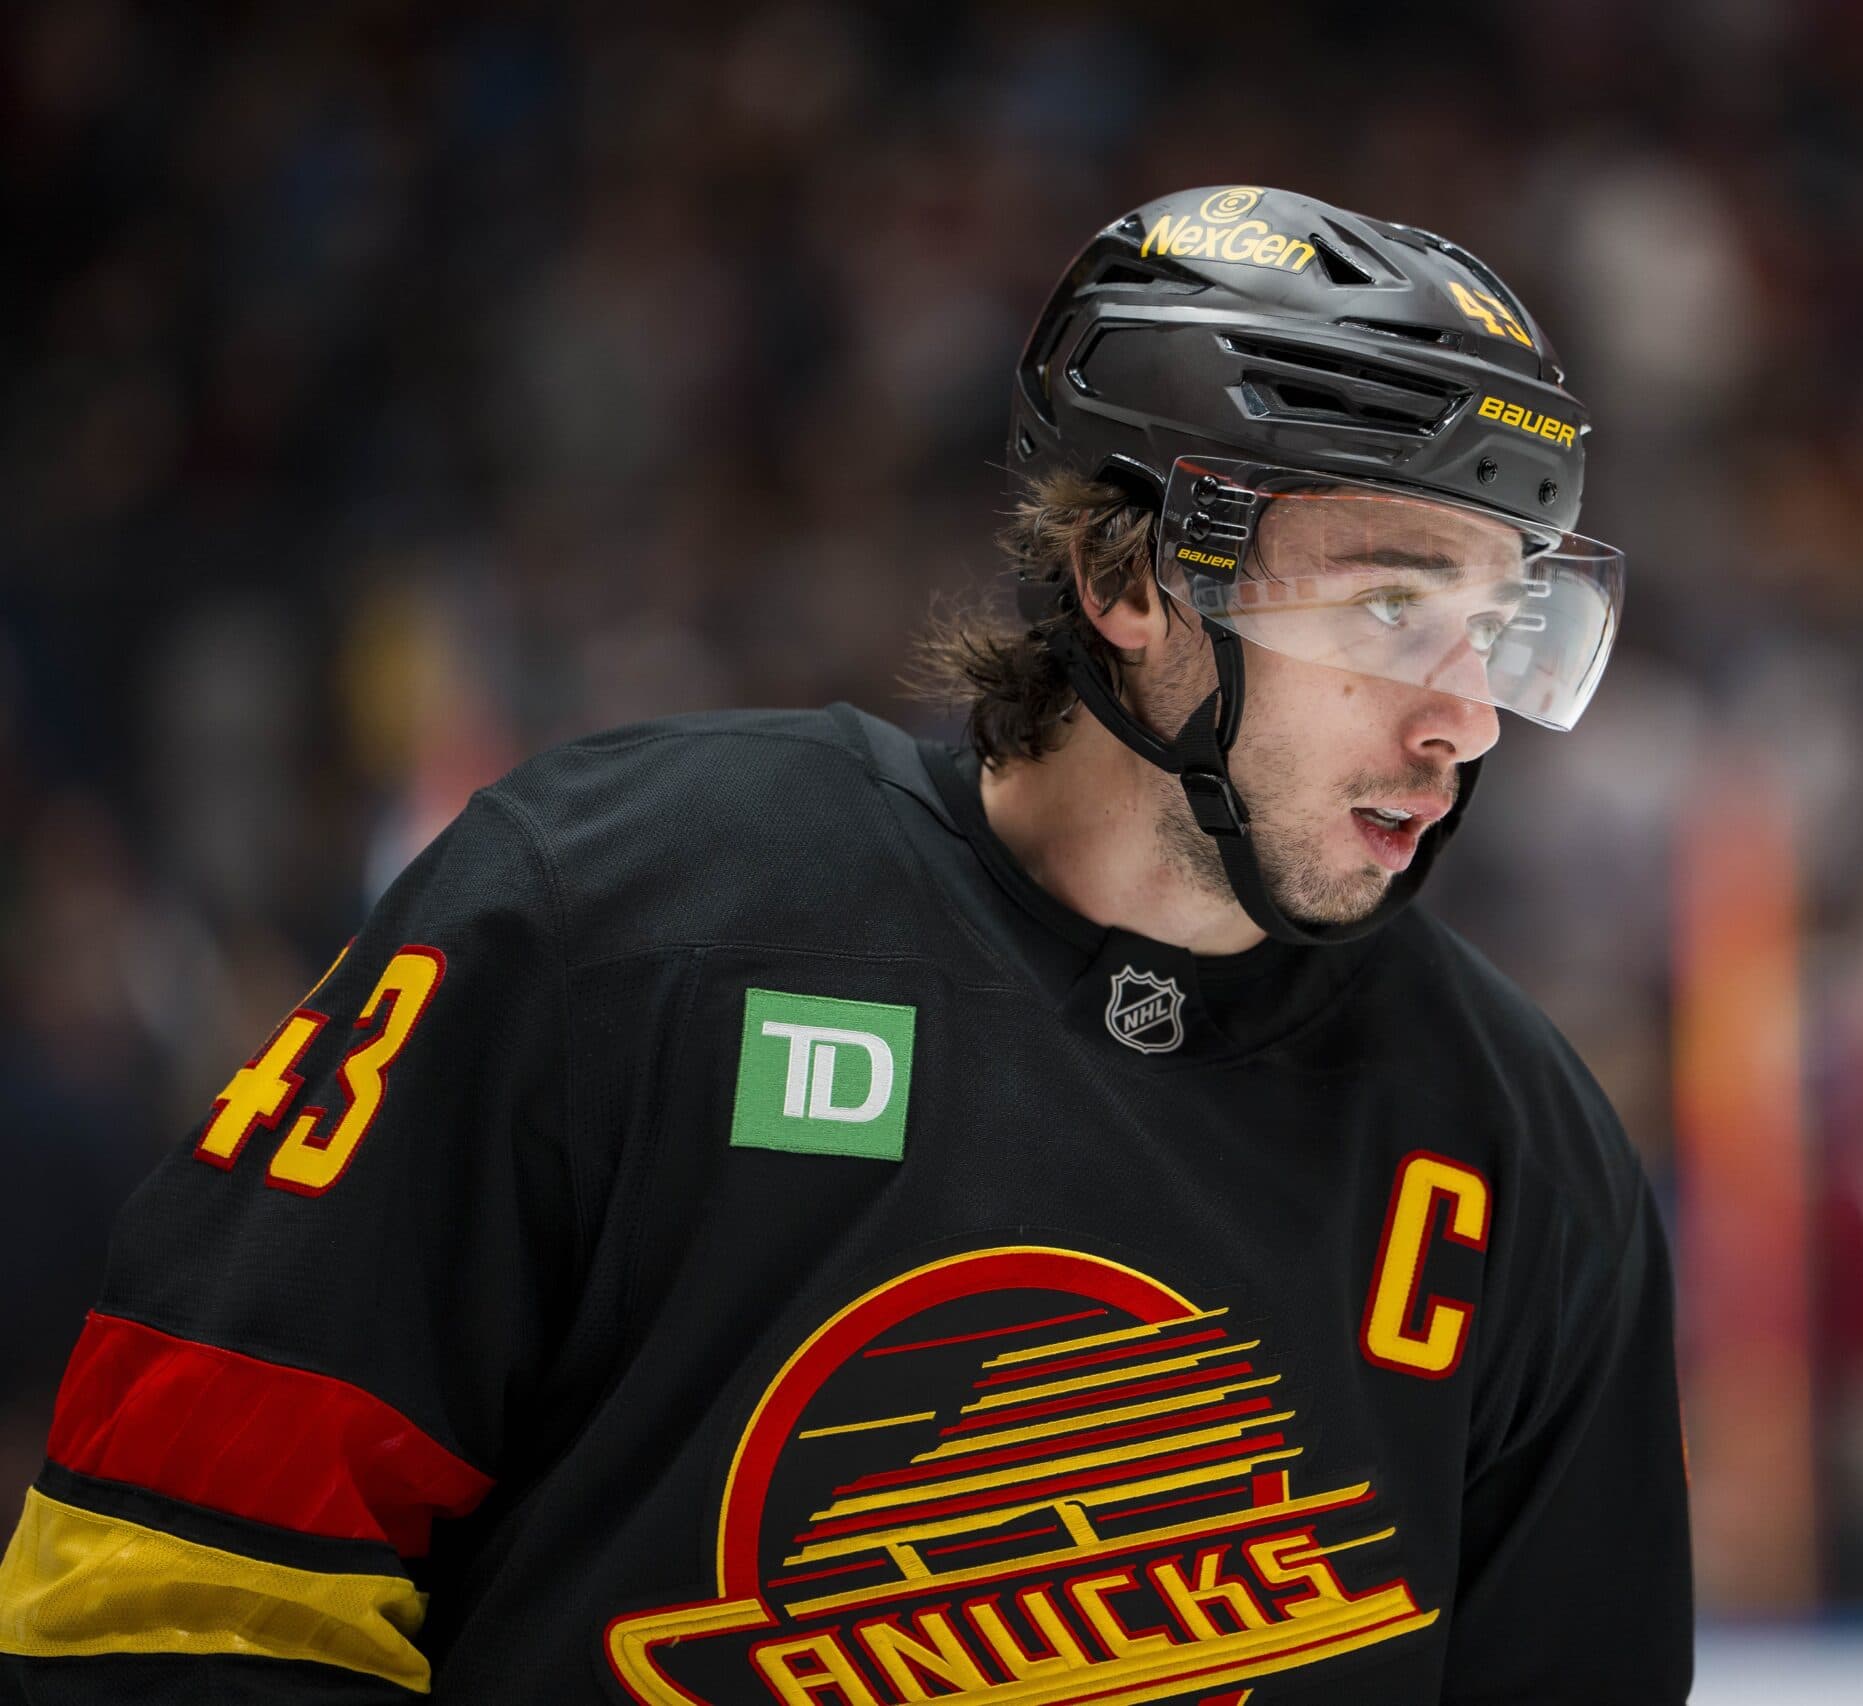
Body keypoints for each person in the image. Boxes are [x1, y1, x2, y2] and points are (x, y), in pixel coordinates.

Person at [0, 186, 1692, 1703]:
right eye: (1394, 605)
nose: (1467, 717)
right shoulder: (615, 914)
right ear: (1128, 577)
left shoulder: (1523, 1157)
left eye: (1502, 622)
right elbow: (178, 1581)